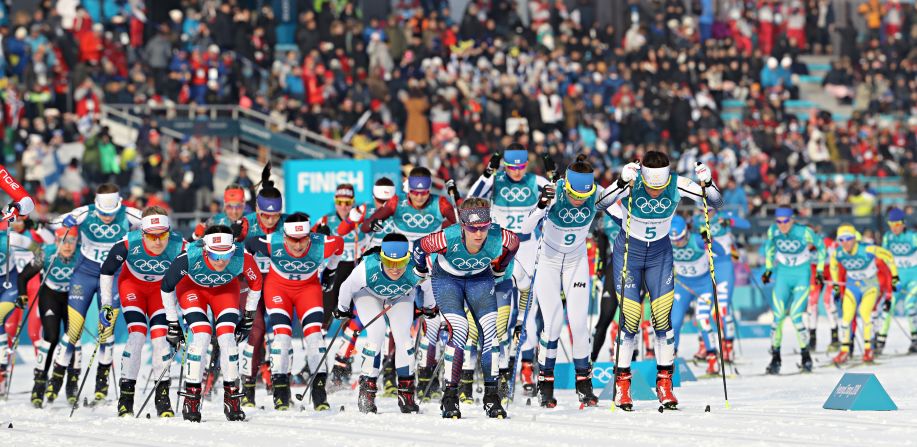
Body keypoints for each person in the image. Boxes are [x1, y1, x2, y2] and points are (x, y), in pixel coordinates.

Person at [602, 151, 722, 411]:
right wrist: (620, 183)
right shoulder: (633, 180)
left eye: (660, 187)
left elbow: (715, 203)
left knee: (662, 321)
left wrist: (709, 183)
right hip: (629, 254)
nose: (656, 192)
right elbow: (601, 203)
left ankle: (665, 384)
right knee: (630, 320)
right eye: (651, 186)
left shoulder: (677, 183)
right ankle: (622, 385)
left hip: (659, 255)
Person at [519, 154, 616, 408]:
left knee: (579, 324)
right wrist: (541, 205)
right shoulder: (554, 191)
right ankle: (546, 385)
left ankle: (584, 385)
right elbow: (524, 229)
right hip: (549, 262)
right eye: (574, 195)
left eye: (583, 197)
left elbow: (621, 212)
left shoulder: (596, 193)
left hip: (576, 262)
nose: (578, 201)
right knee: (552, 323)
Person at [412, 198, 519, 419]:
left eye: (484, 227)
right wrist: (420, 269)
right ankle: (450, 396)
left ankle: (492, 397)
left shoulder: (502, 237)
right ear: (462, 225)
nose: (479, 234)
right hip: (447, 280)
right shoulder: (446, 237)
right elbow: (419, 247)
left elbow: (513, 246)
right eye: (472, 228)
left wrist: (500, 268)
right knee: (460, 329)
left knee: (491, 332)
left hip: (480, 279)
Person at [361, 167, 456, 397]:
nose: (420, 197)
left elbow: (456, 224)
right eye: (415, 192)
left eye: (424, 193)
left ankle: (426, 376)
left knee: (432, 321)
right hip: (402, 270)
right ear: (409, 190)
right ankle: (391, 375)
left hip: (430, 268)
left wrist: (446, 228)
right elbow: (367, 225)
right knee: (397, 323)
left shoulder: (439, 203)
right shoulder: (397, 202)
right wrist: (372, 223)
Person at [468, 144, 551, 400]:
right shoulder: (497, 180)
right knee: (496, 305)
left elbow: (555, 198)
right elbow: (471, 197)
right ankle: (490, 363)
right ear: (505, 165)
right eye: (511, 167)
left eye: (521, 167)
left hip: (526, 245)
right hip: (499, 245)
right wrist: (488, 173)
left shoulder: (535, 180)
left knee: (529, 308)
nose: (516, 172)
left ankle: (527, 366)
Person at [49, 183, 142, 404]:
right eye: (102, 213)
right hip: (85, 273)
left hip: (113, 276)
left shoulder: (128, 213)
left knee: (106, 330)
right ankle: (56, 378)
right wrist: (65, 221)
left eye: (110, 214)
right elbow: (53, 222)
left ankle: (102, 381)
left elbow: (159, 223)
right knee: (73, 329)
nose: (107, 217)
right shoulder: (85, 212)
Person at [160, 225, 263, 422]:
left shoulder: (243, 257)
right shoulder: (190, 256)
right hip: (192, 290)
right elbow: (166, 287)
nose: (222, 261)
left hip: (224, 291)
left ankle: (232, 398)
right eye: (215, 256)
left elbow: (256, 284)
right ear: (205, 249)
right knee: (202, 334)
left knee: (227, 337)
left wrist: (248, 316)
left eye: (227, 255)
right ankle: (192, 398)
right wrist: (172, 322)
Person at [244, 212, 343, 411]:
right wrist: (252, 276)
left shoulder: (322, 243)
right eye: (293, 240)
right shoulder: (273, 241)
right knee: (282, 338)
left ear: (310, 235)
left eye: (303, 240)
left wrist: (330, 273)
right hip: (278, 289)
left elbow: (339, 245)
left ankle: (319, 393)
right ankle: (281, 393)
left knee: (315, 337)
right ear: (285, 235)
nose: (298, 246)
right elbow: (249, 246)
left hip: (308, 290)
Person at [98, 207, 185, 417]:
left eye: (162, 235)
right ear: (142, 233)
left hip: (160, 293)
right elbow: (107, 270)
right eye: (152, 236)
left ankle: (162, 400)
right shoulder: (128, 243)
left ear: (169, 231)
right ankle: (126, 400)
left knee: (160, 341)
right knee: (136, 335)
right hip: (132, 288)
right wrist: (107, 304)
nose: (158, 242)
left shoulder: (179, 244)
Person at [334, 233, 431, 414]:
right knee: (376, 333)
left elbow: (429, 286)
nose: (395, 269)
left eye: (400, 263)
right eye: (389, 262)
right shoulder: (367, 268)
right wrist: (342, 308)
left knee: (404, 339)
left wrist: (430, 307)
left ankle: (406, 394)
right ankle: (367, 393)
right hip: (369, 295)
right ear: (381, 257)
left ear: (407, 258)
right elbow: (346, 287)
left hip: (400, 296)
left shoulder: (416, 267)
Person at [329, 177, 397, 388]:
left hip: (397, 270)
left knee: (397, 322)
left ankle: (391, 369)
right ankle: (341, 364)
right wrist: (357, 220)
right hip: (371, 269)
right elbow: (341, 231)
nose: (382, 206)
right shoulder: (364, 209)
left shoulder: (401, 209)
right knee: (359, 319)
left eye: (386, 201)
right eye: (378, 200)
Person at [238, 165, 286, 406]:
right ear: (256, 209)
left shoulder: (287, 223)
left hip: (278, 284)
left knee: (280, 334)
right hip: (251, 284)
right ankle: (247, 388)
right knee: (255, 332)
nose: (270, 221)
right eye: (265, 216)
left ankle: (280, 385)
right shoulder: (246, 223)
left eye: (274, 216)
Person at [18, 227, 79, 407]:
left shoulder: (82, 254)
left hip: (73, 296)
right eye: (63, 241)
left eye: (71, 241)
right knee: (51, 337)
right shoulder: (46, 253)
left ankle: (71, 386)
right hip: (50, 295)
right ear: (56, 241)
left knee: (73, 338)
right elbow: (23, 277)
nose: (67, 246)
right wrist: (22, 295)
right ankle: (39, 385)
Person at [760, 208, 826, 374]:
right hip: (783, 274)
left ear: (792, 220)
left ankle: (806, 356)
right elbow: (769, 248)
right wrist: (768, 269)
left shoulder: (804, 232)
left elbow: (821, 247)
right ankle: (775, 358)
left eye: (785, 221)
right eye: (779, 221)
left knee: (796, 315)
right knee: (778, 317)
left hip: (801, 275)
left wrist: (819, 271)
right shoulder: (773, 231)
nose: (782, 225)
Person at [830, 225, 897, 365]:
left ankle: (868, 349)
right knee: (846, 318)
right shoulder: (838, 253)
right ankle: (844, 351)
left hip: (870, 286)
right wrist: (836, 285)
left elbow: (889, 256)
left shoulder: (867, 249)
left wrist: (895, 276)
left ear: (854, 238)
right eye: (841, 240)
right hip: (852, 286)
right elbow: (833, 266)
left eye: (848, 239)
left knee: (865, 313)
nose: (845, 243)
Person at [670, 216, 727, 375]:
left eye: (680, 239)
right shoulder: (668, 242)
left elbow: (721, 252)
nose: (678, 244)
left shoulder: (697, 240)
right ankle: (670, 362)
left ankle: (712, 360)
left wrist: (710, 241)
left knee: (702, 319)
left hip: (704, 286)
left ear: (686, 233)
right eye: (674, 240)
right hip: (683, 286)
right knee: (674, 322)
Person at [692, 209, 749, 363]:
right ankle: (705, 346)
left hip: (723, 264)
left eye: (708, 209)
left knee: (722, 308)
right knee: (702, 309)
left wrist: (730, 222)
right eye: (701, 208)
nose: (705, 212)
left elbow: (747, 224)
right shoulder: (697, 220)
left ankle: (728, 348)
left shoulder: (724, 216)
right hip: (705, 266)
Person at [878, 208, 917, 354]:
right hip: (897, 279)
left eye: (897, 224)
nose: (894, 228)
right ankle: (881, 341)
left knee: (909, 305)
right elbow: (883, 256)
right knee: (888, 306)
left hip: (914, 277)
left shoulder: (913, 237)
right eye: (891, 224)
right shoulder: (888, 237)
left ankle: (915, 340)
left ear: (903, 224)